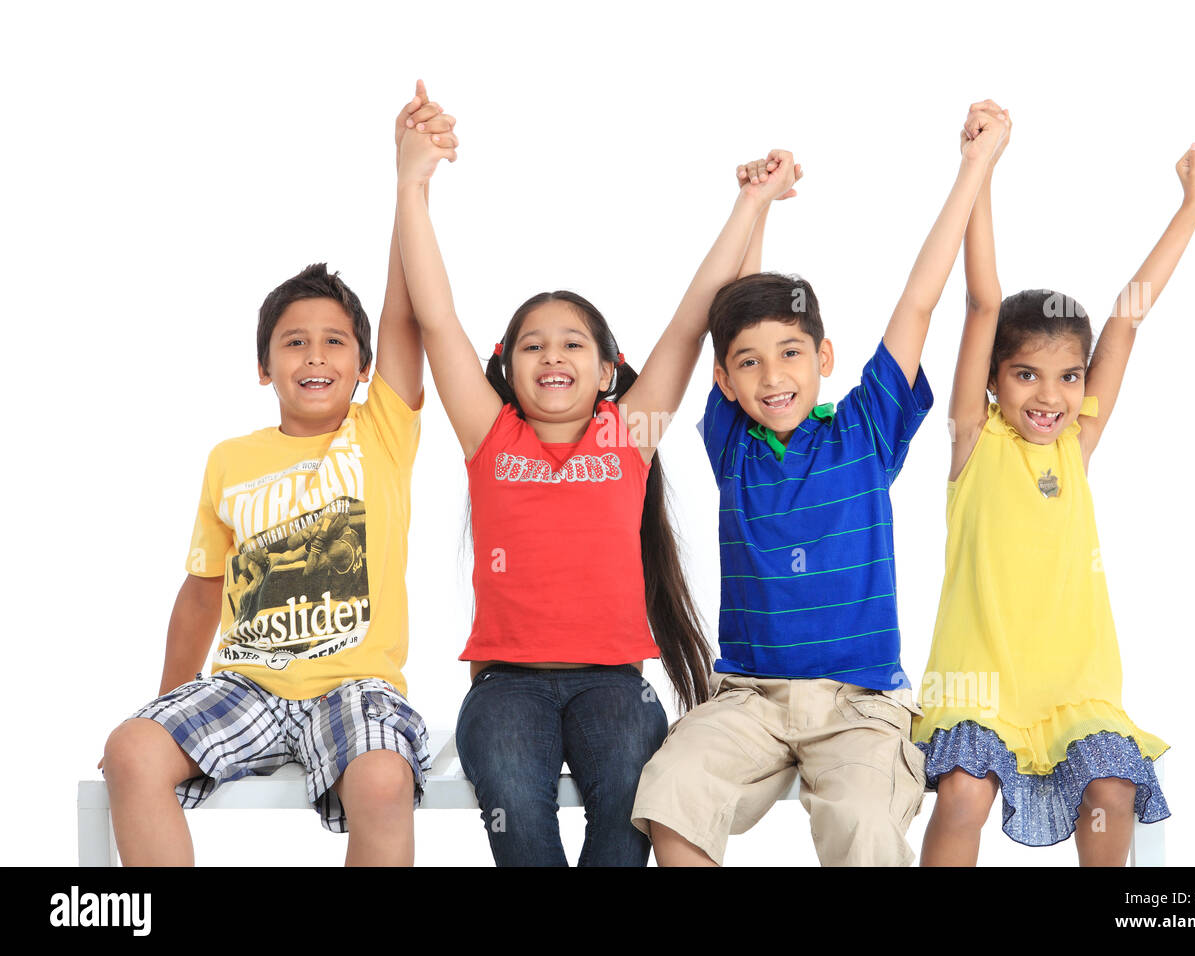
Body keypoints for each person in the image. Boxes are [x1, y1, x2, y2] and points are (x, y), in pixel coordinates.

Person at [396, 102, 802, 865]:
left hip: (615, 685)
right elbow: (437, 318)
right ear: (507, 369)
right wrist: (412, 184)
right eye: (533, 346)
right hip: (507, 687)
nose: (553, 356)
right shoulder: (491, 436)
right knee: (518, 809)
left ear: (609, 369)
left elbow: (691, 323)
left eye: (573, 343)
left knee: (628, 808)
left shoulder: (630, 436)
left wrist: (750, 205)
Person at [631, 104, 1009, 867]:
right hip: (750, 700)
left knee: (865, 827)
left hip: (861, 707)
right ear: (724, 381)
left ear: (825, 356)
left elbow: (918, 302)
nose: (773, 377)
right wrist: (759, 206)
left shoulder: (866, 430)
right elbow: (725, 314)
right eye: (749, 363)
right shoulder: (733, 442)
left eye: (792, 354)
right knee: (670, 792)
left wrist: (974, 167)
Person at [99, 85, 448, 866]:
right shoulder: (231, 459)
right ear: (265, 367)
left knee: (385, 780)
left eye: (334, 342)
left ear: (363, 367)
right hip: (248, 685)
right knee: (130, 752)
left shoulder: (380, 432)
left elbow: (402, 314)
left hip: (354, 684)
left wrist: (409, 183)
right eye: (293, 342)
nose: (315, 354)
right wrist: (163, 703)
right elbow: (201, 590)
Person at [913, 100, 1195, 865]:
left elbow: (1126, 320)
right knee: (964, 793)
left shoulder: (1076, 446)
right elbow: (983, 301)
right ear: (990, 381)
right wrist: (981, 169)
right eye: (1025, 375)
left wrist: (1193, 205)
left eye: (1067, 376)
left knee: (1111, 793)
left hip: (1074, 691)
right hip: (978, 685)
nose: (1049, 396)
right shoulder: (974, 441)